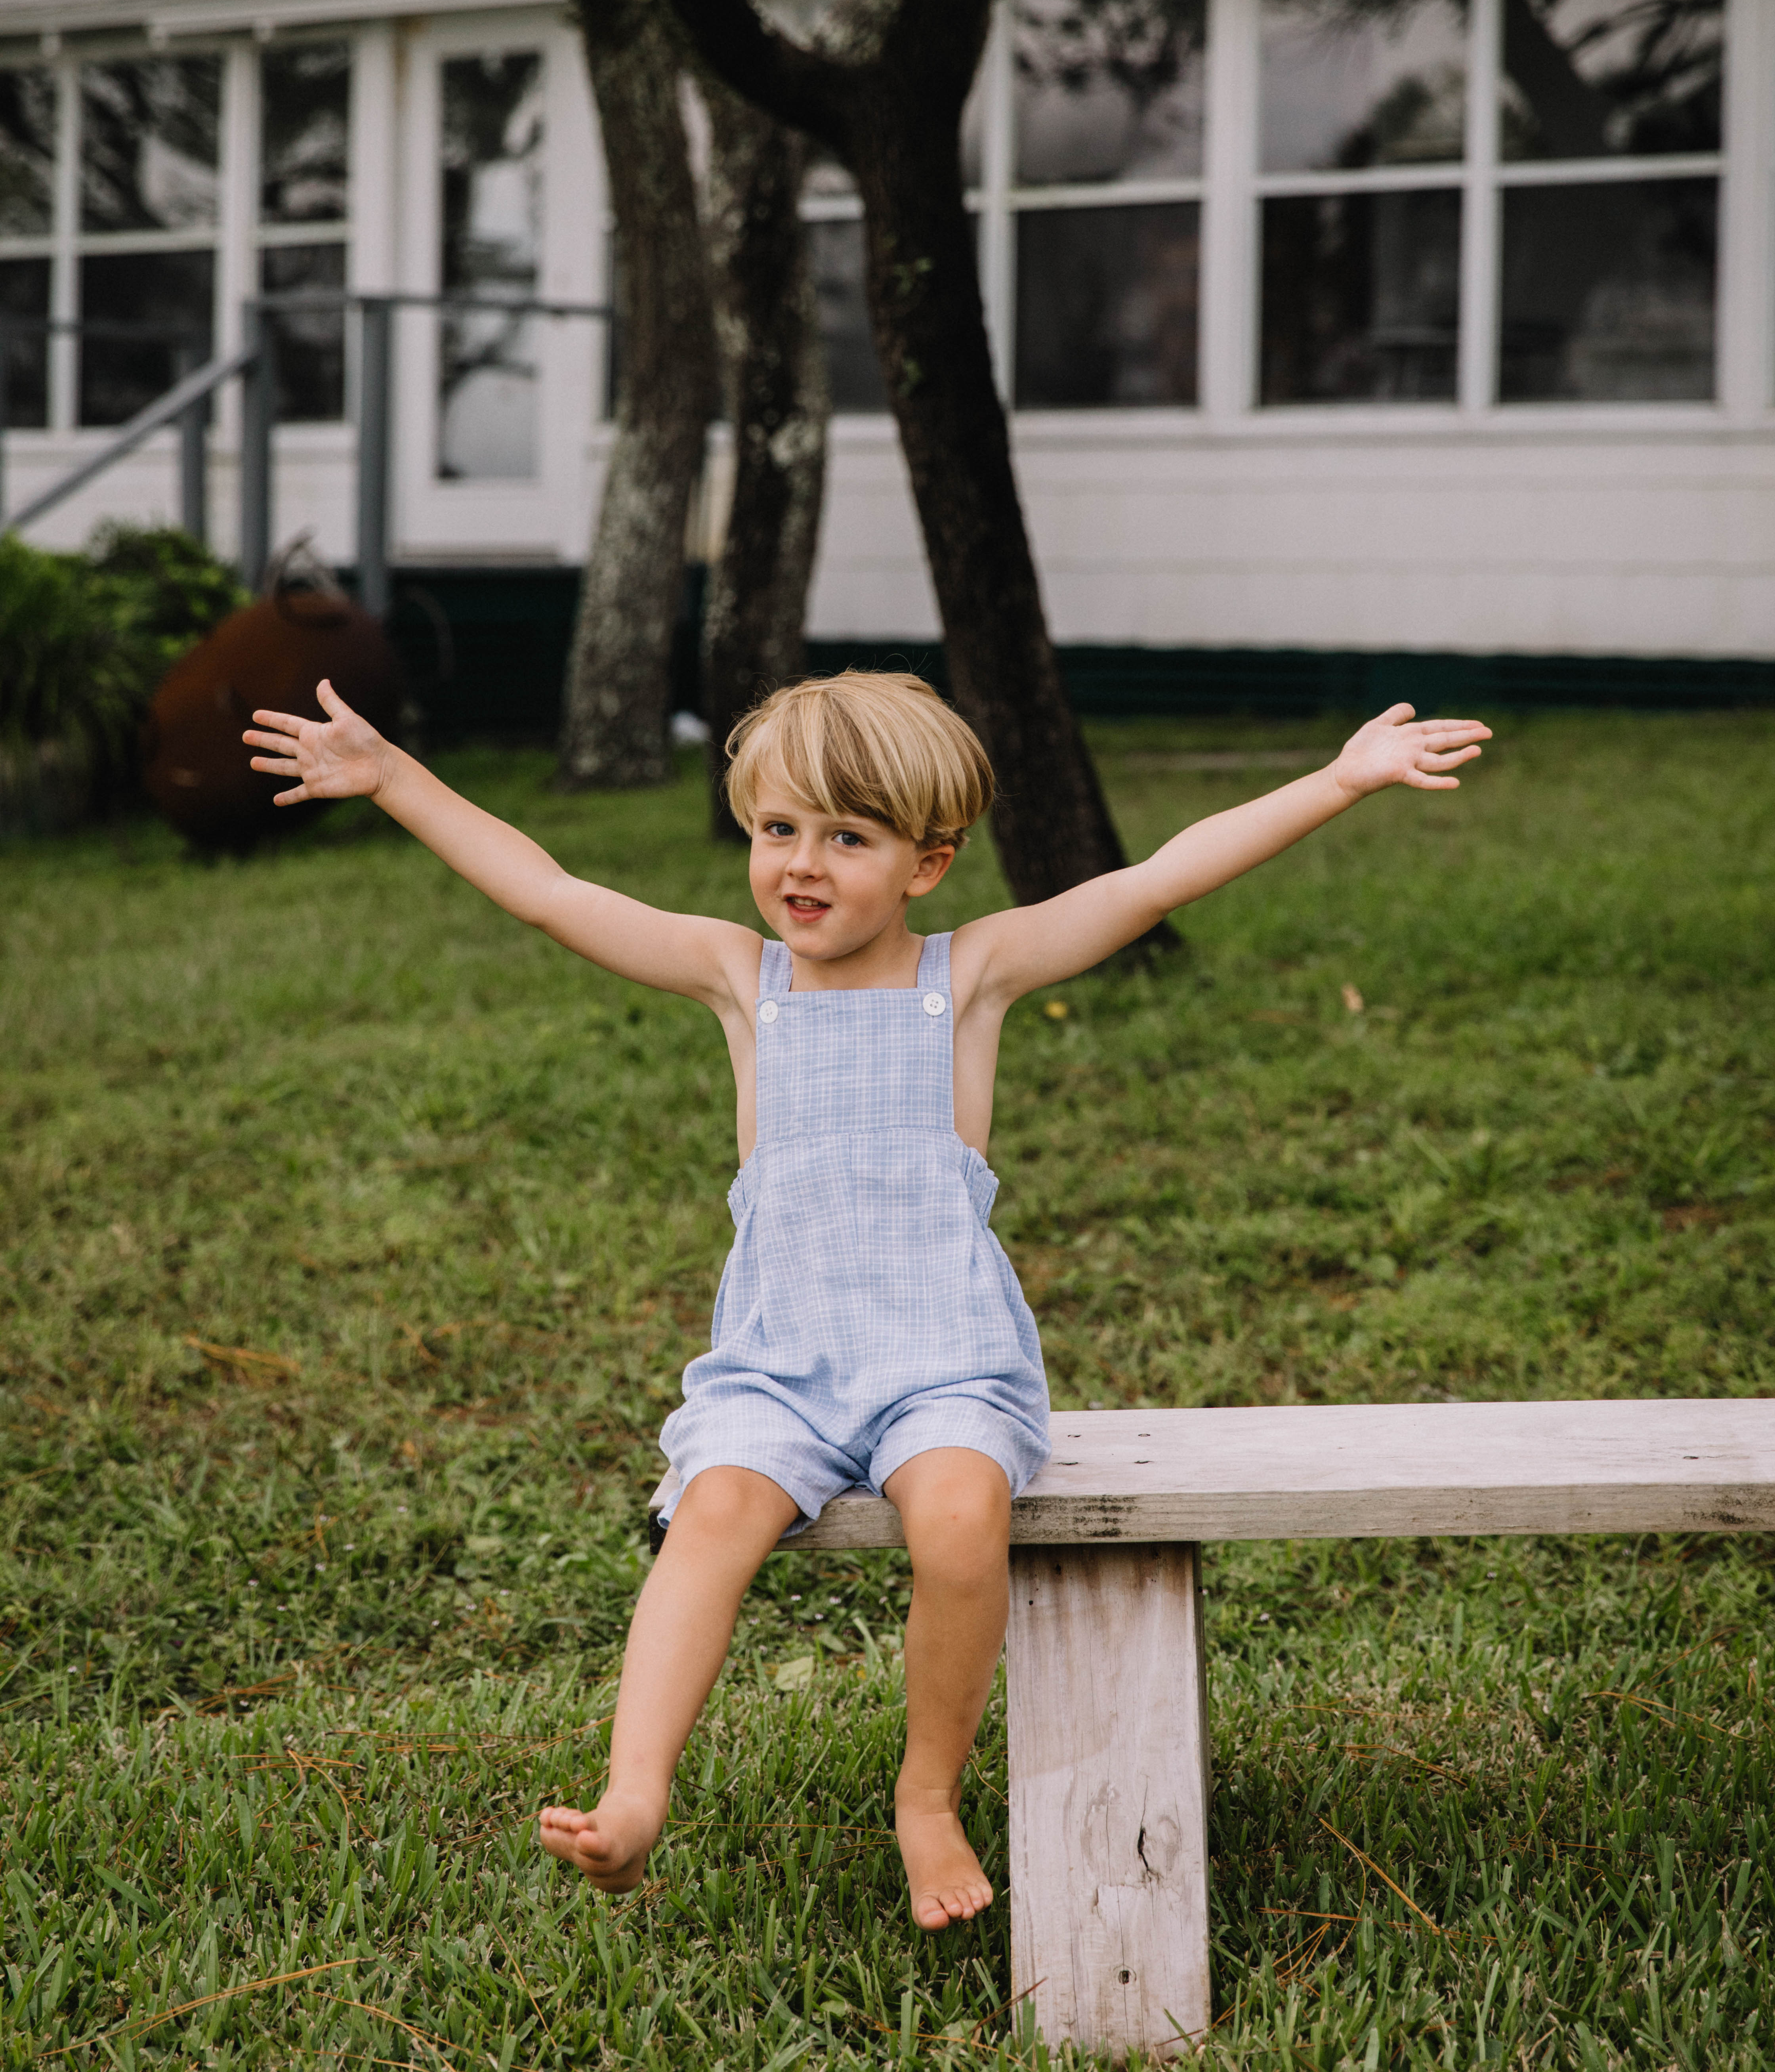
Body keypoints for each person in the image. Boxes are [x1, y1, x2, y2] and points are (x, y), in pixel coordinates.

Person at [244, 668, 1489, 1929]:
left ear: (928, 863)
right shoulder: (745, 980)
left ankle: (927, 1796)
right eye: (777, 830)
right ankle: (631, 1797)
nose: (802, 865)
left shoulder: (973, 975)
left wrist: (1338, 782)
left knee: (959, 1518)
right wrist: (393, 775)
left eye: (848, 837)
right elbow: (554, 895)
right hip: (777, 1368)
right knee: (709, 1520)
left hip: (943, 1364)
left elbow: (1156, 879)